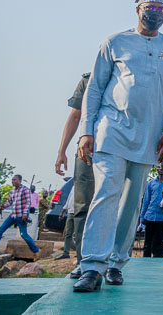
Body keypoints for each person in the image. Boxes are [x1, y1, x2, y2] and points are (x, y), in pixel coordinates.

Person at [74, 0, 163, 292]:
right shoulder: (115, 42)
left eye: (161, 10)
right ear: (138, 9)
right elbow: (94, 88)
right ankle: (92, 265)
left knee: (131, 202)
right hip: (111, 129)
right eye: (150, 8)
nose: (155, 14)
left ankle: (116, 262)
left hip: (149, 137)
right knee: (107, 192)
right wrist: (87, 130)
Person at [54, 72, 95, 278]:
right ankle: (83, 262)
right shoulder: (89, 80)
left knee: (115, 206)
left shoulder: (130, 75)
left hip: (119, 149)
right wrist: (62, 151)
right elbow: (75, 115)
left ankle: (112, 262)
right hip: (88, 150)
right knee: (82, 208)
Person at [0, 174, 39, 256]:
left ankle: (36, 251)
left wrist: (25, 214)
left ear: (20, 181)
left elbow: (28, 203)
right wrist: (3, 206)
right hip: (12, 216)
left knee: (24, 235)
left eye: (15, 180)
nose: (13, 181)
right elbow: (10, 202)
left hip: (21, 217)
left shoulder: (25, 190)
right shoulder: (12, 191)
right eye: (12, 180)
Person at [139, 164, 163, 258]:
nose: (161, 169)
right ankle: (144, 264)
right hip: (150, 215)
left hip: (162, 217)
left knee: (159, 244)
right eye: (159, 167)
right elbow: (146, 200)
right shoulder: (151, 183)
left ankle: (158, 265)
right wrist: (142, 217)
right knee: (147, 244)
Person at [56, 186, 76, 259]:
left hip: (79, 213)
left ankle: (79, 253)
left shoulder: (85, 185)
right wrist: (62, 212)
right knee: (68, 234)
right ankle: (66, 253)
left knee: (79, 234)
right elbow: (69, 200)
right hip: (70, 212)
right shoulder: (73, 187)